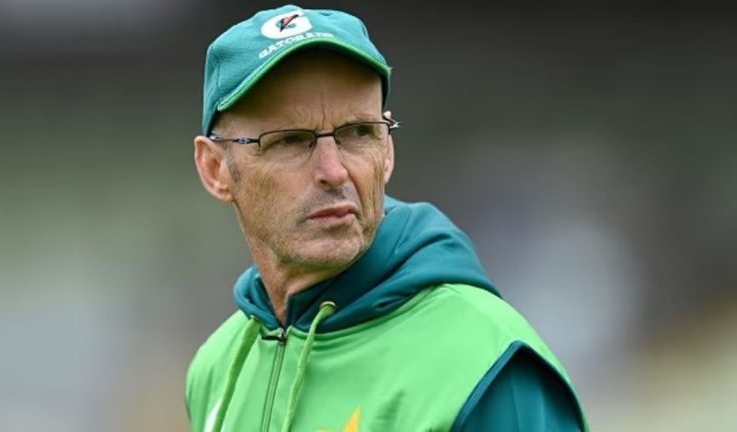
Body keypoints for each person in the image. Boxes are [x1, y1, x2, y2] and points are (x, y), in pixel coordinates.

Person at [187, 5, 588, 431]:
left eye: (358, 132)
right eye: (289, 140)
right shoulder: (215, 369)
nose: (334, 171)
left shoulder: (484, 368)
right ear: (215, 169)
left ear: (387, 151)